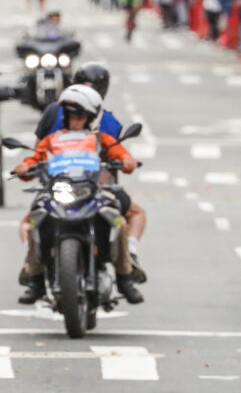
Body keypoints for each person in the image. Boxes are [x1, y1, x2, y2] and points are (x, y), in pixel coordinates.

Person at [13, 85, 143, 305]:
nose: (75, 121)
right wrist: (24, 168)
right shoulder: (52, 140)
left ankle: (124, 277)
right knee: (35, 218)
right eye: (71, 116)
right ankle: (35, 279)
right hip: (59, 192)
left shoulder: (101, 139)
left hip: (93, 192)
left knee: (118, 221)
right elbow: (32, 161)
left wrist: (127, 161)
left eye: (80, 116)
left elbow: (123, 157)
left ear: (90, 118)